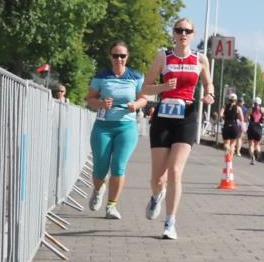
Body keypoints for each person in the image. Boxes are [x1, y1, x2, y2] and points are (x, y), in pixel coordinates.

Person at [141, 18, 214, 240]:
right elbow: (145, 87)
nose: (183, 33)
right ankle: (156, 195)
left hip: (187, 116)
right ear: (173, 33)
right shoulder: (162, 56)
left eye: (187, 31)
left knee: (175, 172)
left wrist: (209, 94)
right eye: (179, 30)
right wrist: (163, 87)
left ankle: (170, 222)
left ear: (193, 34)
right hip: (164, 115)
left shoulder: (200, 58)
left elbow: (208, 83)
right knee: (158, 178)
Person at [86, 42, 147, 219]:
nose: (119, 59)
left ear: (127, 57)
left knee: (118, 166)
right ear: (110, 56)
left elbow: (143, 99)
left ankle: (111, 206)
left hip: (126, 127)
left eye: (122, 56)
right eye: (115, 55)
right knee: (100, 167)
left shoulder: (136, 76)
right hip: (103, 127)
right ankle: (98, 189)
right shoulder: (102, 76)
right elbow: (89, 99)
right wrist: (101, 103)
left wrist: (135, 105)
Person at [220, 93, 244, 158]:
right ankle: (230, 161)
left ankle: (227, 149)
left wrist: (223, 118)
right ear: (236, 100)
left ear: (229, 99)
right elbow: (242, 119)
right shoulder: (238, 108)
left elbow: (221, 115)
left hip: (226, 125)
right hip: (234, 126)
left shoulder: (224, 106)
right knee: (233, 144)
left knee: (226, 143)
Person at [246, 97, 264, 164]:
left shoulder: (250, 110)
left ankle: (253, 158)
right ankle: (259, 154)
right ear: (260, 103)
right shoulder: (262, 110)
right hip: (258, 128)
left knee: (251, 145)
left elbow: (245, 118)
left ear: (254, 103)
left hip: (251, 127)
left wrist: (249, 118)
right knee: (257, 144)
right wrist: (263, 118)